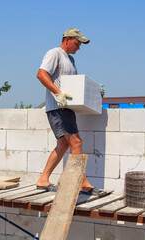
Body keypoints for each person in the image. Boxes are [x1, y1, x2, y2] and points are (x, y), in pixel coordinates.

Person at [36, 28, 103, 196]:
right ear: (67, 39)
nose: (78, 48)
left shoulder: (70, 60)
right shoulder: (54, 53)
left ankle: (43, 180)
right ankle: (81, 182)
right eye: (76, 43)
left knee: (64, 144)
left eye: (80, 45)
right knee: (76, 142)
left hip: (66, 107)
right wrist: (57, 93)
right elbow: (41, 74)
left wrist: (95, 92)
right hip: (58, 107)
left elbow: (76, 86)